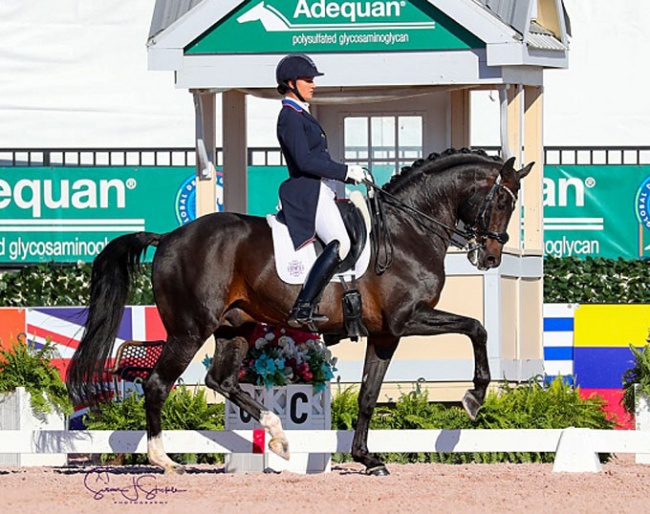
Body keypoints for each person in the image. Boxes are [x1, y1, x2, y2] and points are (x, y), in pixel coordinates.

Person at [275, 53, 369, 330]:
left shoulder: (301, 113)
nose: (313, 85)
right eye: (307, 80)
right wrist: (344, 171)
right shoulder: (289, 117)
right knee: (340, 242)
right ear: (290, 83)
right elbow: (304, 161)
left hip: (321, 188)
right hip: (307, 190)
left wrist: (347, 175)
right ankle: (303, 306)